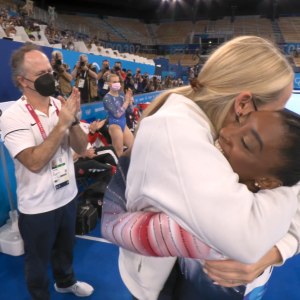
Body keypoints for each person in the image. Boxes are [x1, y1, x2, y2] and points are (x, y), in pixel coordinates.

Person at [102, 36, 300, 300]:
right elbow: (249, 237)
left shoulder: (236, 132)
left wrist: (275, 251)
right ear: (242, 105)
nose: (282, 118)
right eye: (279, 108)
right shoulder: (175, 131)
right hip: (167, 286)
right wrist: (291, 174)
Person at [1, 43, 93, 299]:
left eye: (50, 71)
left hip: (67, 195)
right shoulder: (13, 116)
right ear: (23, 81)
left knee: (65, 250)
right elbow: (33, 162)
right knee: (38, 262)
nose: (50, 77)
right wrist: (61, 124)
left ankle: (65, 282)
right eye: (41, 74)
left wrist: (72, 121)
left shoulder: (59, 104)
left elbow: (81, 147)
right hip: (37, 206)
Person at [103, 74, 134, 157]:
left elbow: (130, 111)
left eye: (118, 81)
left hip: (124, 124)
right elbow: (117, 114)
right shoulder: (107, 98)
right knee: (119, 152)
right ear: (109, 84)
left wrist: (130, 101)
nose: (117, 83)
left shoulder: (122, 95)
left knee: (133, 148)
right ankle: (120, 169)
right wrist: (127, 102)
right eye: (114, 82)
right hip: (114, 125)